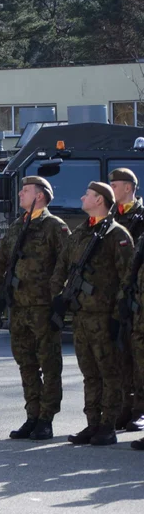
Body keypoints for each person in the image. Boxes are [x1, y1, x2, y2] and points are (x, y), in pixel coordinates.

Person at [51, 182, 132, 446]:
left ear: (100, 200)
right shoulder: (80, 233)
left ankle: (108, 426)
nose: (83, 197)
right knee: (90, 373)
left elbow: (127, 280)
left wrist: (118, 316)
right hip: (81, 315)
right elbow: (62, 267)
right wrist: (58, 298)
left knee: (110, 372)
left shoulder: (117, 235)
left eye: (88, 195)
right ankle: (92, 424)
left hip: (103, 315)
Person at [0, 176, 69, 441]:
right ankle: (32, 415)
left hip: (43, 307)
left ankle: (46, 418)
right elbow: (0, 262)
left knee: (49, 362)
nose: (20, 194)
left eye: (25, 190)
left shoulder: (54, 227)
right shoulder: (17, 226)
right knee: (26, 364)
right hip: (19, 307)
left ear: (41, 196)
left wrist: (57, 298)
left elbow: (65, 265)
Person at [109, 167, 144, 431]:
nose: (111, 189)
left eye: (115, 185)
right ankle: (125, 407)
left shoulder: (140, 217)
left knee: (139, 355)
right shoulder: (109, 217)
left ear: (129, 188)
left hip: (137, 295)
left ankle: (140, 410)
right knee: (120, 355)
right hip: (113, 295)